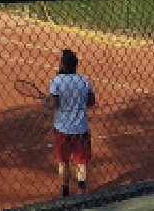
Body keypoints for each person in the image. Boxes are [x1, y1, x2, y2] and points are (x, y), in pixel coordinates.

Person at [43, 49, 95, 197]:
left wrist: (45, 102)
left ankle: (65, 192)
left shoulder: (56, 81)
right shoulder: (84, 80)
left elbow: (54, 103)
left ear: (62, 64)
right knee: (81, 162)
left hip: (62, 129)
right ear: (75, 65)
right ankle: (81, 190)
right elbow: (91, 101)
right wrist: (78, 102)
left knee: (63, 161)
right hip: (81, 128)